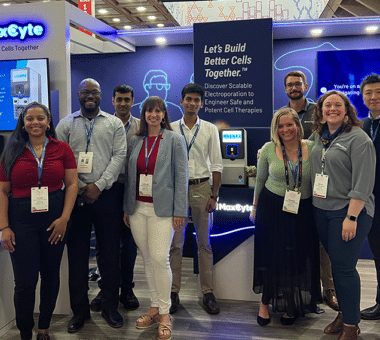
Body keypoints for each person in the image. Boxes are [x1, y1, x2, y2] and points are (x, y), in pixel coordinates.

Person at [0, 102, 78, 340]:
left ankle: (43, 327)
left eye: (40, 118)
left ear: (48, 121)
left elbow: (72, 184)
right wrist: (4, 227)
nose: (35, 123)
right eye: (30, 118)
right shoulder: (11, 151)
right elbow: (2, 191)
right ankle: (25, 331)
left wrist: (64, 218)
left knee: (51, 275)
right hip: (20, 219)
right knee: (24, 281)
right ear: (23, 123)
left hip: (54, 218)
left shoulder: (62, 148)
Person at [56, 78, 127, 332]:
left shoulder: (114, 123)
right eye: (85, 92)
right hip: (74, 196)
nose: (90, 96)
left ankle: (109, 307)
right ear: (78, 95)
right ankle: (79, 312)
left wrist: (100, 184)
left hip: (106, 194)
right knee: (76, 258)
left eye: (94, 92)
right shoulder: (65, 124)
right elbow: (60, 158)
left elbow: (120, 155)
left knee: (109, 255)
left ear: (100, 95)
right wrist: (78, 186)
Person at [310, 90, 375, 339]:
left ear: (347, 110)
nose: (332, 109)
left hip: (349, 212)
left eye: (338, 105)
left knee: (344, 268)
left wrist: (351, 217)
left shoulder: (359, 139)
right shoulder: (319, 136)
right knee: (337, 267)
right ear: (321, 111)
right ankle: (346, 313)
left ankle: (351, 326)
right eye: (328, 105)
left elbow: (363, 182)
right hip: (321, 210)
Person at [123, 96, 188, 340]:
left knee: (161, 259)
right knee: (148, 259)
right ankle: (154, 305)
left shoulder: (174, 139)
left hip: (164, 210)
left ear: (163, 115)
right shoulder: (136, 140)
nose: (153, 115)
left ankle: (165, 313)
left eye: (158, 111)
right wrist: (127, 208)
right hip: (138, 208)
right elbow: (130, 177)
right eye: (149, 111)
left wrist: (181, 210)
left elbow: (182, 177)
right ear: (144, 115)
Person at [250, 107, 321, 326]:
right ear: (275, 129)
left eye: (290, 124)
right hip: (272, 210)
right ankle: (265, 304)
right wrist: (254, 208)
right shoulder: (269, 149)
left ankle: (292, 304)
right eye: (280, 126)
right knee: (272, 256)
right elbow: (260, 181)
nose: (285, 129)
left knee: (298, 258)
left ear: (298, 126)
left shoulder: (312, 147)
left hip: (303, 211)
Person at [283, 70, 338, 311]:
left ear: (305, 86)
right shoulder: (282, 115)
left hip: (319, 185)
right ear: (285, 89)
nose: (294, 88)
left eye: (298, 84)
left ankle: (329, 289)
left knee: (323, 244)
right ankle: (305, 291)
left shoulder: (319, 111)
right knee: (298, 243)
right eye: (290, 85)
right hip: (294, 189)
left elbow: (329, 140)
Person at [169, 83, 223, 315]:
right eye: (188, 99)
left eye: (196, 100)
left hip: (202, 186)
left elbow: (217, 163)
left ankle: (208, 293)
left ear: (201, 103)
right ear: (181, 101)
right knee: (175, 244)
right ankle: (172, 293)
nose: (192, 103)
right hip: (177, 190)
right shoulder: (170, 128)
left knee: (204, 243)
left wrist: (214, 194)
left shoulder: (210, 129)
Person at [90, 85, 140, 312]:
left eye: (127, 99)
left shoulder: (142, 126)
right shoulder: (104, 124)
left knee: (128, 244)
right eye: (119, 99)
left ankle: (127, 288)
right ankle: (106, 287)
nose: (123, 103)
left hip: (133, 189)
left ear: (132, 101)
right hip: (109, 188)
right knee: (105, 243)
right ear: (112, 100)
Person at [360, 74, 380, 320]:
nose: (374, 97)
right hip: (370, 201)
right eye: (369, 93)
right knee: (378, 253)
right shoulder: (363, 126)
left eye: (378, 92)